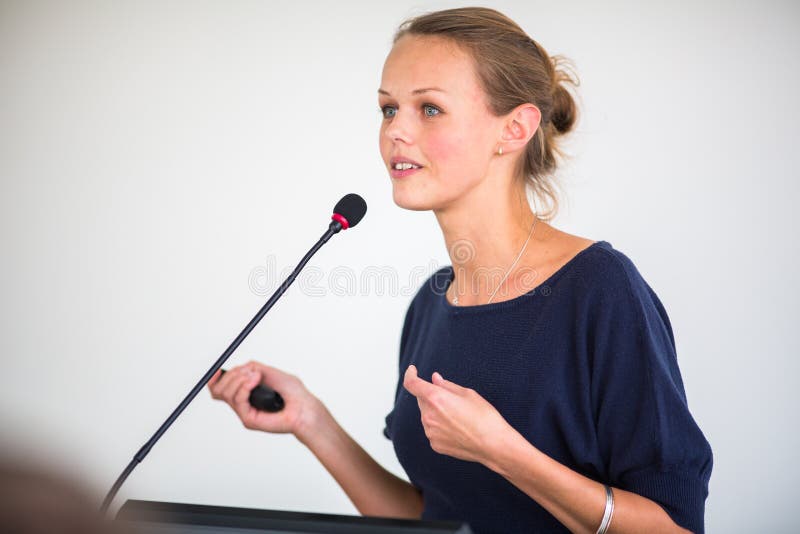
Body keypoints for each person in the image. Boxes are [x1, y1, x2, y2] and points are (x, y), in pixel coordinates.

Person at [208, 7, 713, 533]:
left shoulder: (600, 290)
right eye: (388, 109)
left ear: (514, 129)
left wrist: (504, 452)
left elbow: (674, 528)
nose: (396, 131)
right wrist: (309, 420)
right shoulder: (431, 304)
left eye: (429, 109)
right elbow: (437, 521)